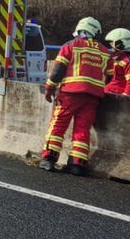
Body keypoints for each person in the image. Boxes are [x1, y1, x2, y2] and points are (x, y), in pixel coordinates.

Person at [39, 16, 110, 176]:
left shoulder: (70, 46)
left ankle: (48, 159)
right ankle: (77, 164)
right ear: (95, 32)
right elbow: (110, 77)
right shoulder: (105, 52)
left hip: (70, 93)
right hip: (93, 97)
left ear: (79, 30)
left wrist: (50, 87)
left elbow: (58, 70)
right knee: (82, 129)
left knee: (58, 125)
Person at [105, 28, 130, 96]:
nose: (111, 45)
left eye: (112, 43)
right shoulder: (117, 58)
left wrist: (124, 99)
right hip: (111, 93)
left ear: (120, 43)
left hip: (120, 97)